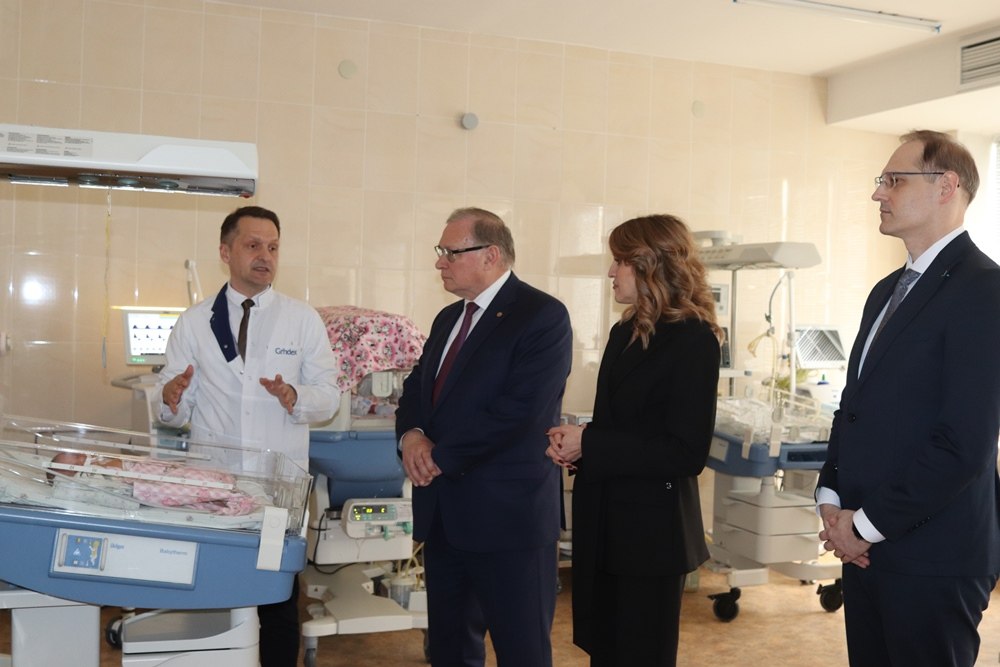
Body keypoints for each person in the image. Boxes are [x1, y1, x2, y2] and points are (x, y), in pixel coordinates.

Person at [816, 130, 1000, 667]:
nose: (879, 193)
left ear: (946, 186)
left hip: (932, 556)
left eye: (894, 180)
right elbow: (853, 408)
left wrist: (863, 526)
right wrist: (831, 499)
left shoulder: (984, 289)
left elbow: (963, 443)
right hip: (864, 549)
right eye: (882, 181)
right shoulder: (885, 291)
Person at [154, 205, 340, 667]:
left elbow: (329, 397)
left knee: (277, 599)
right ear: (225, 252)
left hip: (279, 487)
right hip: (216, 484)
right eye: (253, 245)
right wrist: (172, 396)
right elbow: (171, 410)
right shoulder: (195, 322)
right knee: (216, 591)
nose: (265, 256)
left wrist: (295, 395)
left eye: (273, 247)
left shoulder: (301, 319)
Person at [395, 207, 573, 667]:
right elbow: (416, 388)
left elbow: (520, 412)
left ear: (491, 254)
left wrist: (438, 456)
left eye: (450, 252)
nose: (440, 262)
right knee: (450, 649)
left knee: (522, 650)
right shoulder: (447, 319)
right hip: (445, 516)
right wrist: (412, 435)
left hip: (509, 519)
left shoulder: (541, 316)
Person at [545, 214, 722, 667]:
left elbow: (686, 452)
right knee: (605, 652)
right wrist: (577, 446)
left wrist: (590, 444)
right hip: (605, 522)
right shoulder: (625, 332)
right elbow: (621, 427)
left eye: (620, 261)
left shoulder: (694, 339)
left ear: (651, 265)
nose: (611, 272)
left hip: (650, 538)